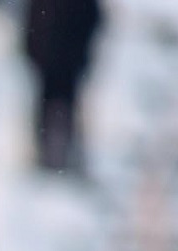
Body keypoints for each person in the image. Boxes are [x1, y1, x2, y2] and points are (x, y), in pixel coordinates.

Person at [21, 0, 103, 175]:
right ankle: (51, 154)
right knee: (54, 102)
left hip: (63, 61)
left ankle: (60, 153)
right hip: (54, 62)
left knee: (61, 103)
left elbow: (93, 20)